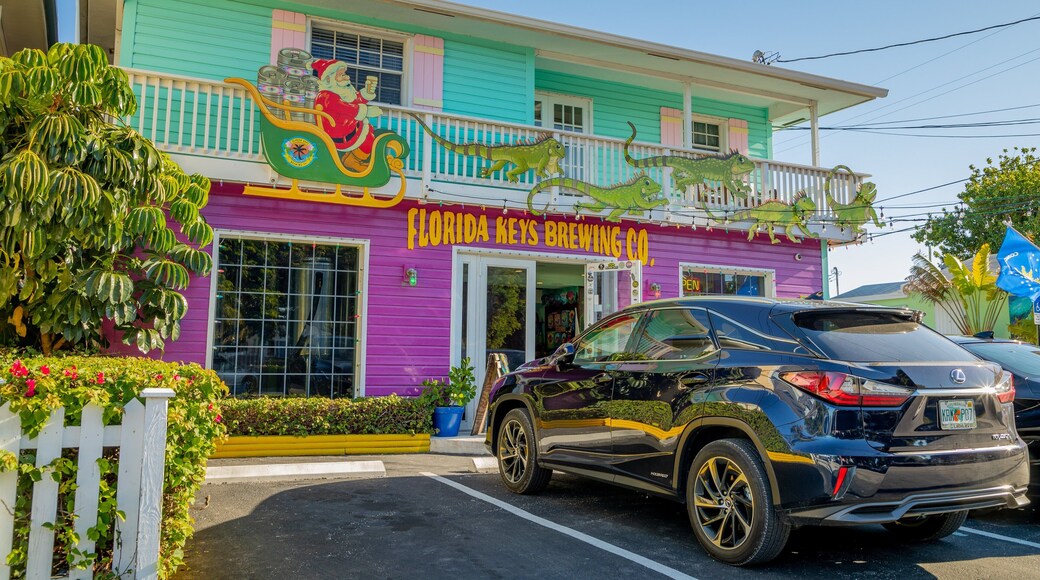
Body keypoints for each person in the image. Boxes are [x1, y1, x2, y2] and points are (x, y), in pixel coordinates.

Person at [310, 59, 382, 171]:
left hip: (350, 129)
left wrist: (367, 93)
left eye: (345, 74)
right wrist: (366, 111)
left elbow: (353, 100)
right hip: (340, 136)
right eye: (341, 75)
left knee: (370, 132)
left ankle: (351, 159)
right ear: (329, 78)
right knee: (368, 139)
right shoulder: (326, 96)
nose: (346, 77)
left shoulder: (341, 91)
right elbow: (346, 108)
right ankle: (352, 161)